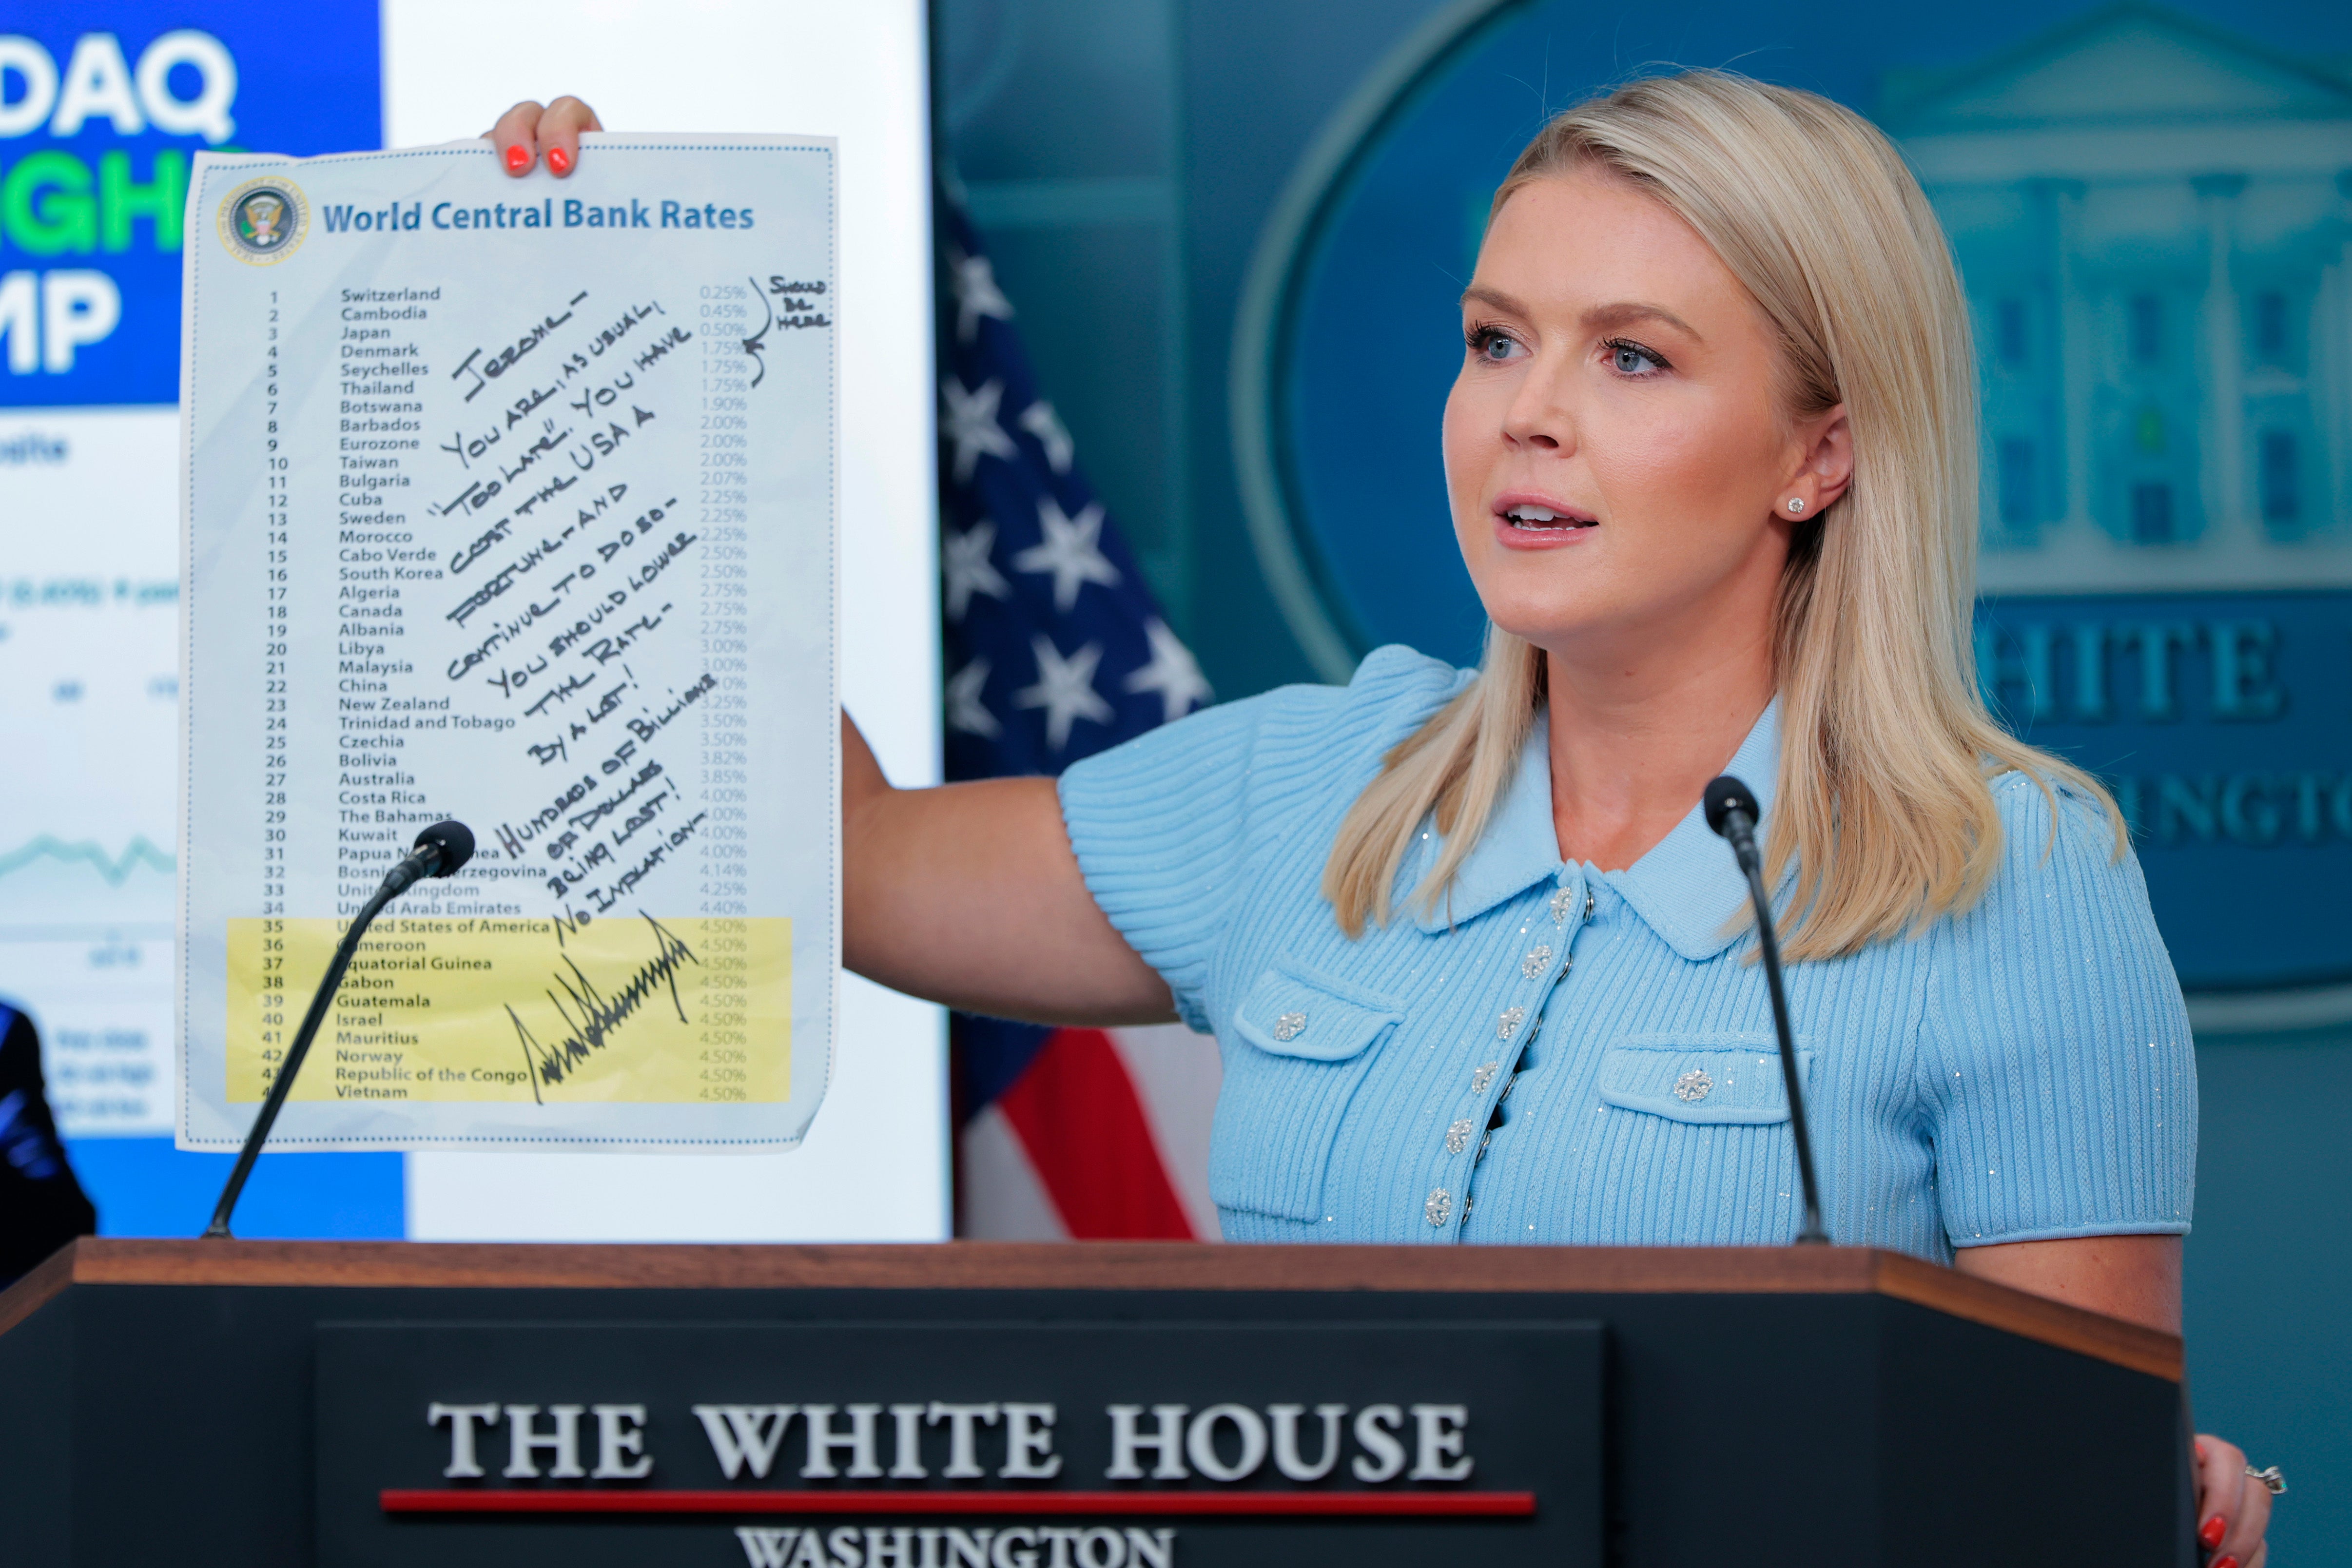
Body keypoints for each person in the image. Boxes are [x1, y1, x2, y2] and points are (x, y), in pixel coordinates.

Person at [489, 76, 2277, 1563]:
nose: (1528, 416)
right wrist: (602, 338)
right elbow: (844, 858)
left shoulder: (2015, 872)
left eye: (1632, 359)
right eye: (1495, 341)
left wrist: (2163, 1493)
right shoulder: (1313, 785)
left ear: (1818, 453)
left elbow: (2067, 1487)